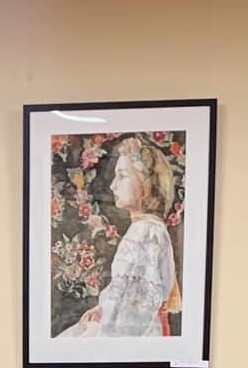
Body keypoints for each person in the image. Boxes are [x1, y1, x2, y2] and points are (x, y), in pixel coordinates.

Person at [55, 136, 176, 339]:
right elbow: (123, 290)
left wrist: (99, 330)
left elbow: (138, 310)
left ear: (145, 183)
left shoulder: (147, 232)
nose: (113, 186)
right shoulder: (144, 228)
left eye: (122, 176)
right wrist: (102, 309)